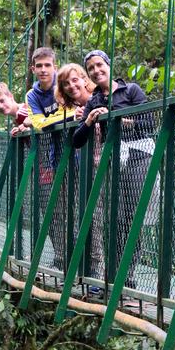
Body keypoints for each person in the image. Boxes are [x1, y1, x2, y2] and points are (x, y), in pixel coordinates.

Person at [74, 49, 159, 288]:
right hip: (113, 161)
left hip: (138, 156)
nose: (96, 70)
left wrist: (116, 117)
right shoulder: (94, 101)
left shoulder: (130, 90)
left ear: (108, 65)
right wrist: (90, 120)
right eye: (91, 68)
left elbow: (148, 123)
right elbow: (77, 140)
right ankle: (109, 276)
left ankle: (126, 277)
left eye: (99, 65)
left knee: (132, 219)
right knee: (114, 219)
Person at [56, 63, 104, 280]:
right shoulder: (72, 110)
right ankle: (93, 268)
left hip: (110, 165)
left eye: (75, 80)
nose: (71, 86)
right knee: (89, 217)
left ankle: (102, 270)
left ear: (85, 79)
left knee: (103, 217)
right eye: (66, 83)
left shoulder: (101, 97)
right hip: (85, 170)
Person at [25, 46, 67, 269]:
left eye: (47, 65)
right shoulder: (32, 95)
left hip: (82, 153)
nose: (43, 70)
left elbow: (83, 102)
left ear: (55, 67)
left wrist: (48, 118)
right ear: (33, 69)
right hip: (56, 156)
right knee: (55, 210)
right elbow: (40, 124)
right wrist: (67, 115)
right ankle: (62, 260)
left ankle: (88, 267)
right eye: (39, 66)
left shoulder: (65, 84)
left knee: (87, 212)